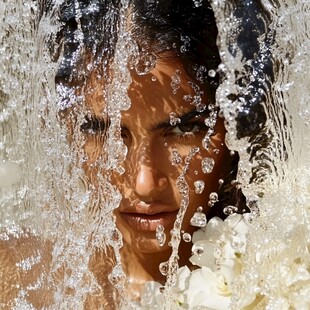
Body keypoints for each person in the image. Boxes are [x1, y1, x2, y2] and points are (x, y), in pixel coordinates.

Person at [1, 0, 271, 308]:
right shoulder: (14, 280)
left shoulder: (285, 275)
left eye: (183, 130)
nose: (144, 183)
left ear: (235, 126)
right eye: (100, 129)